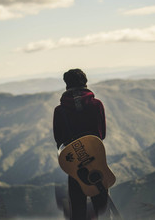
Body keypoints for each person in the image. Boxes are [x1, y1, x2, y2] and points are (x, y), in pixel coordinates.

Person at [53, 68, 108, 220]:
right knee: (102, 207)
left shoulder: (60, 110)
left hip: (74, 163)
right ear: (85, 82)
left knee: (77, 207)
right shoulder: (97, 105)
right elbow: (101, 134)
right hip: (96, 160)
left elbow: (59, 141)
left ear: (66, 84)